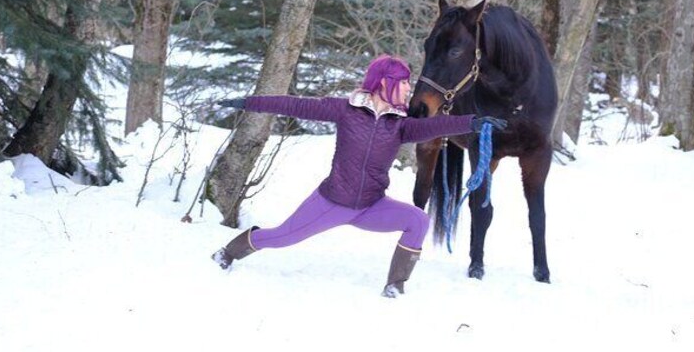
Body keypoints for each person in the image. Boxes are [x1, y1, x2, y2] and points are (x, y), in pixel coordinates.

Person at [212, 54, 506, 297]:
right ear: (386, 83)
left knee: (417, 219)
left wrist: (474, 122)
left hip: (371, 206)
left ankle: (394, 285)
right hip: (331, 202)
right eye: (403, 82)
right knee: (280, 237)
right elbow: (294, 105)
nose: (408, 89)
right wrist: (248, 103)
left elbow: (436, 127)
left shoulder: (401, 124)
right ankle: (228, 252)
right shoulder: (345, 110)